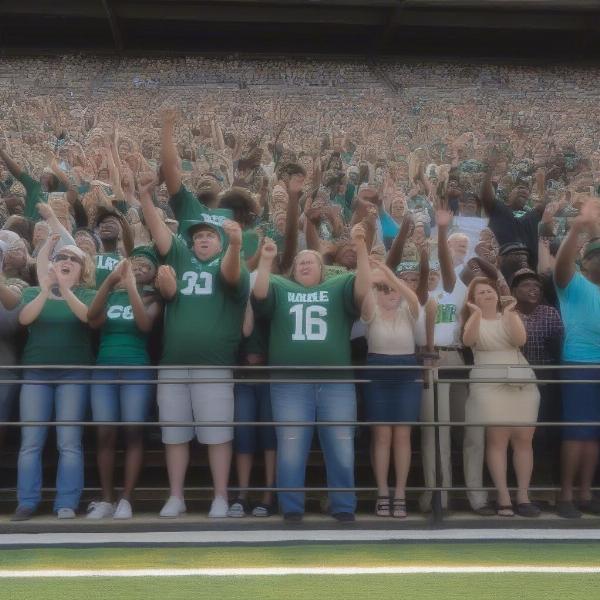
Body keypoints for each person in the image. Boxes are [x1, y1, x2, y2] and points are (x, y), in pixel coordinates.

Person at [139, 177, 249, 519]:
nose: (202, 239)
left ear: (219, 242)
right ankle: (176, 495)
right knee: (174, 434)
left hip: (214, 364)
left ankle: (220, 495)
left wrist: (233, 244)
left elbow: (232, 275)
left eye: (209, 236)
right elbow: (158, 230)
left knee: (217, 434)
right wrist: (144, 196)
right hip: (173, 363)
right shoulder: (180, 259)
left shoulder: (231, 262)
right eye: (198, 236)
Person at [252, 224, 370, 523]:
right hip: (289, 382)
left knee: (341, 445)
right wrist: (266, 261)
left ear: (323, 269)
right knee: (291, 446)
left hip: (336, 382)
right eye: (300, 261)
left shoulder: (339, 283)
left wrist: (361, 248)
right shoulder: (280, 286)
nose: (305, 264)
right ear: (293, 270)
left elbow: (363, 290)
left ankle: (343, 505)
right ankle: (291, 507)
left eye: (311, 261)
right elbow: (260, 296)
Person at [12, 235, 96, 521]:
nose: (67, 261)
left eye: (74, 259)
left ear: (83, 268)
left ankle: (66, 503)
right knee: (31, 442)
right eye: (62, 257)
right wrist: (46, 291)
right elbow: (24, 319)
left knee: (69, 442)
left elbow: (86, 317)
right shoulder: (35, 291)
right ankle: (27, 502)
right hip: (36, 373)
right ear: (53, 264)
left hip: (74, 373)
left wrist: (64, 289)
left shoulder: (87, 293)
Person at [86, 246, 161, 520]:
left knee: (132, 432)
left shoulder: (154, 297)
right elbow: (91, 319)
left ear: (153, 274)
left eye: (145, 265)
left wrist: (131, 287)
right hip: (104, 369)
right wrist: (109, 282)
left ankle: (126, 499)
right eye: (135, 263)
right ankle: (106, 499)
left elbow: (144, 325)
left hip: (136, 370)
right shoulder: (111, 297)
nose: (139, 267)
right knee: (104, 434)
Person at [462, 277, 540, 517]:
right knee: (498, 440)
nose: (487, 294)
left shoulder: (510, 315)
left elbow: (520, 340)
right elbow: (468, 341)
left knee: (524, 440)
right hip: (488, 381)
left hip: (520, 380)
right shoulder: (472, 320)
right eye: (480, 293)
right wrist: (475, 313)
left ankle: (523, 496)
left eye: (489, 291)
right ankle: (503, 496)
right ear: (472, 300)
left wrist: (508, 313)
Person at [361, 260, 420, 518]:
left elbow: (413, 299)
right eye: (385, 290)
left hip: (407, 371)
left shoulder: (409, 311)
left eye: (395, 290)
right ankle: (383, 491)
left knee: (403, 435)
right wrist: (376, 280)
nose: (392, 294)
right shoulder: (371, 311)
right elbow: (365, 295)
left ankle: (400, 492)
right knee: (382, 435)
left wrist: (390, 275)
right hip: (378, 369)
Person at [553, 198, 600, 518]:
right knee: (576, 432)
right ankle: (566, 494)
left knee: (593, 433)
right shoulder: (575, 284)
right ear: (586, 262)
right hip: (580, 363)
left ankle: (586, 492)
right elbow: (562, 264)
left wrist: (593, 226)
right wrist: (577, 230)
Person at [511, 268, 563, 489]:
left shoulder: (549, 313)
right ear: (513, 290)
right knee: (515, 430)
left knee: (541, 430)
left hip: (543, 377)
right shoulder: (508, 312)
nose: (533, 289)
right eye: (527, 285)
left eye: (537, 286)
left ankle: (540, 478)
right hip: (513, 379)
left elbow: (557, 348)